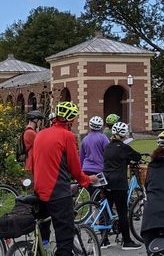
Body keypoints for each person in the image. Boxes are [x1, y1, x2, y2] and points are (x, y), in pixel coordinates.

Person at [31, 101, 96, 256]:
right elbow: (75, 168)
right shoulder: (67, 135)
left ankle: (42, 249)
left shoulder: (40, 134)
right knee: (65, 237)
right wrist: (86, 180)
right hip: (58, 192)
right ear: (70, 120)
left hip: (39, 191)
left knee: (43, 229)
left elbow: (34, 163)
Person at [102, 121, 143, 250]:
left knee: (106, 210)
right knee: (122, 212)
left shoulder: (107, 146)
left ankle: (104, 240)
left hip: (106, 180)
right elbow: (136, 156)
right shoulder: (124, 148)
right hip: (118, 183)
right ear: (124, 134)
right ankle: (127, 241)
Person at [81, 115, 110, 188]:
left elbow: (81, 157)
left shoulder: (85, 139)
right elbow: (108, 153)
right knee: (100, 192)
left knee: (91, 193)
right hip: (99, 169)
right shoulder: (103, 138)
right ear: (101, 126)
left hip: (86, 169)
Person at [22, 110, 43, 174]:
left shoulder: (29, 131)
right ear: (36, 120)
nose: (41, 122)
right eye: (40, 120)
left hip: (31, 164)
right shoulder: (30, 133)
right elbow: (41, 145)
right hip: (31, 165)